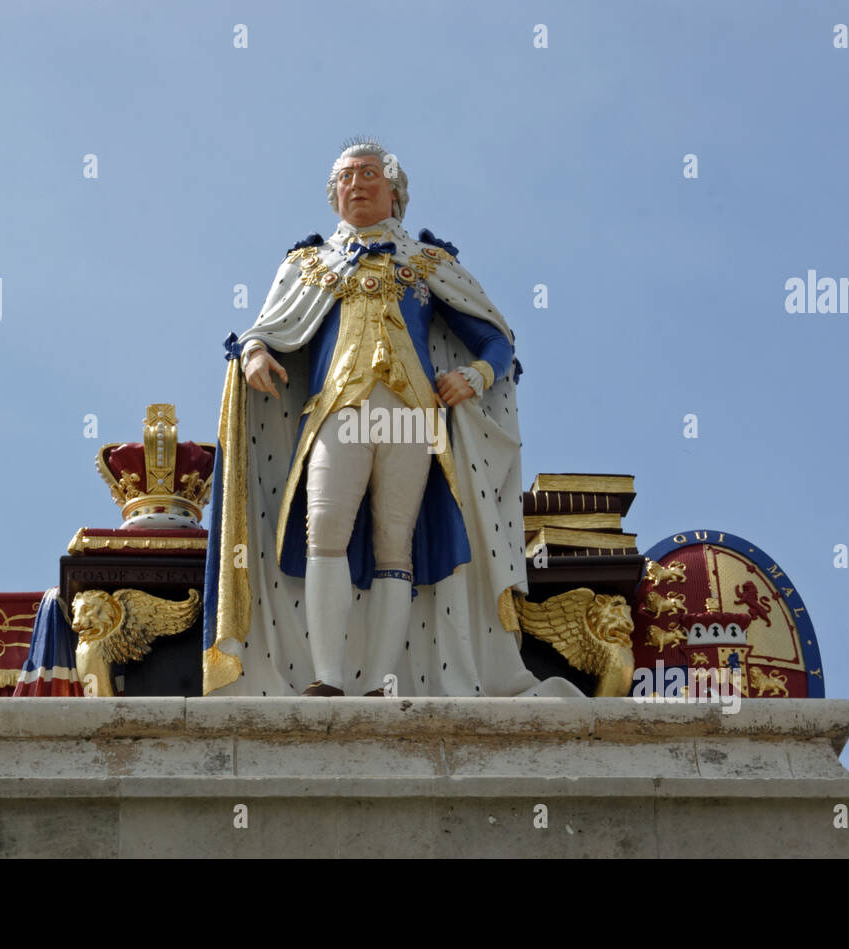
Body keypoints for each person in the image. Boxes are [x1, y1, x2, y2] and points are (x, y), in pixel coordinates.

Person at [202, 139, 578, 699]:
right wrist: (255, 353)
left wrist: (475, 376)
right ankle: (328, 676)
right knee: (324, 531)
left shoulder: (429, 263)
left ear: (396, 191)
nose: (356, 184)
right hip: (339, 410)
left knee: (395, 543)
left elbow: (494, 337)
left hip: (410, 417)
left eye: (369, 174)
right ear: (333, 194)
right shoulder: (308, 265)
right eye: (346, 176)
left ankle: (381, 680)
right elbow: (269, 327)